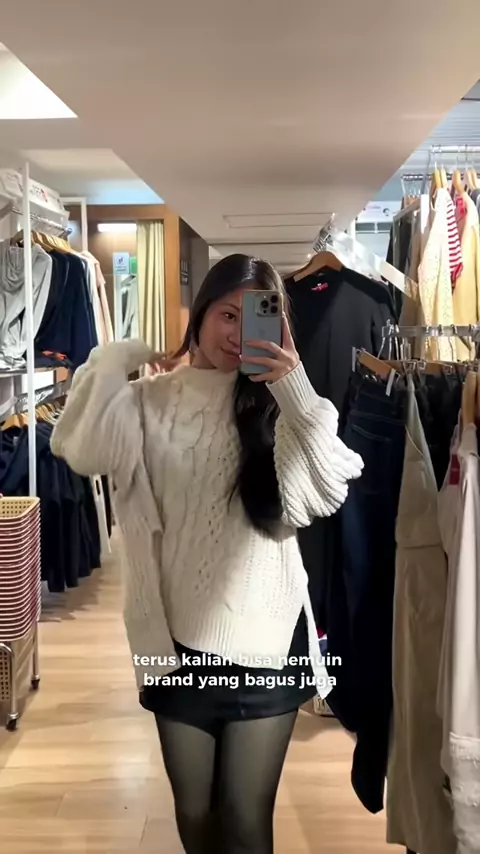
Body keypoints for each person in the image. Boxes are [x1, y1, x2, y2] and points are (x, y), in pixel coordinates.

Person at [51, 254, 363, 854]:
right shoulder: (147, 401)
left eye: (256, 317)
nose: (239, 334)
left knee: (245, 823)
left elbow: (325, 492)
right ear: (201, 313)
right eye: (227, 315)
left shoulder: (286, 405)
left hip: (267, 643)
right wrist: (121, 355)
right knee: (195, 819)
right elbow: (78, 446)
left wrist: (293, 386)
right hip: (175, 645)